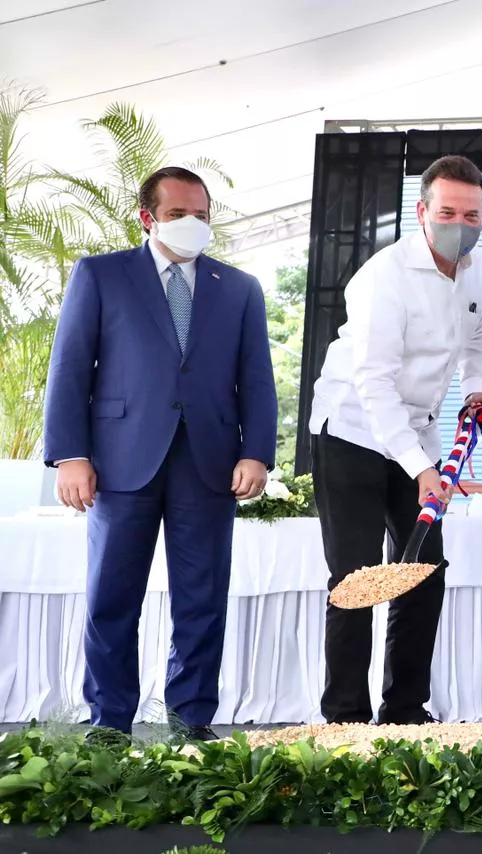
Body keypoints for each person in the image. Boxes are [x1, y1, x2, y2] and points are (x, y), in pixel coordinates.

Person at [43, 166, 277, 742]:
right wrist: (70, 455)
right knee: (111, 598)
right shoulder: (100, 275)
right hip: (120, 461)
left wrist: (258, 454)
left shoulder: (239, 287)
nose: (192, 223)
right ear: (146, 218)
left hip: (210, 461)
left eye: (201, 214)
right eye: (178, 214)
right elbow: (70, 367)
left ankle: (191, 717)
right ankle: (109, 722)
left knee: (203, 598)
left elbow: (258, 379)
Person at [308, 154, 482, 726]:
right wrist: (421, 469)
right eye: (447, 212)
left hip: (420, 433)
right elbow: (375, 385)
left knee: (423, 573)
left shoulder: (477, 266)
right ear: (421, 212)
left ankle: (405, 710)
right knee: (357, 578)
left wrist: (478, 392)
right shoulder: (381, 278)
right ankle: (343, 717)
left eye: (471, 214)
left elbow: (478, 343)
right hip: (355, 433)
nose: (459, 224)